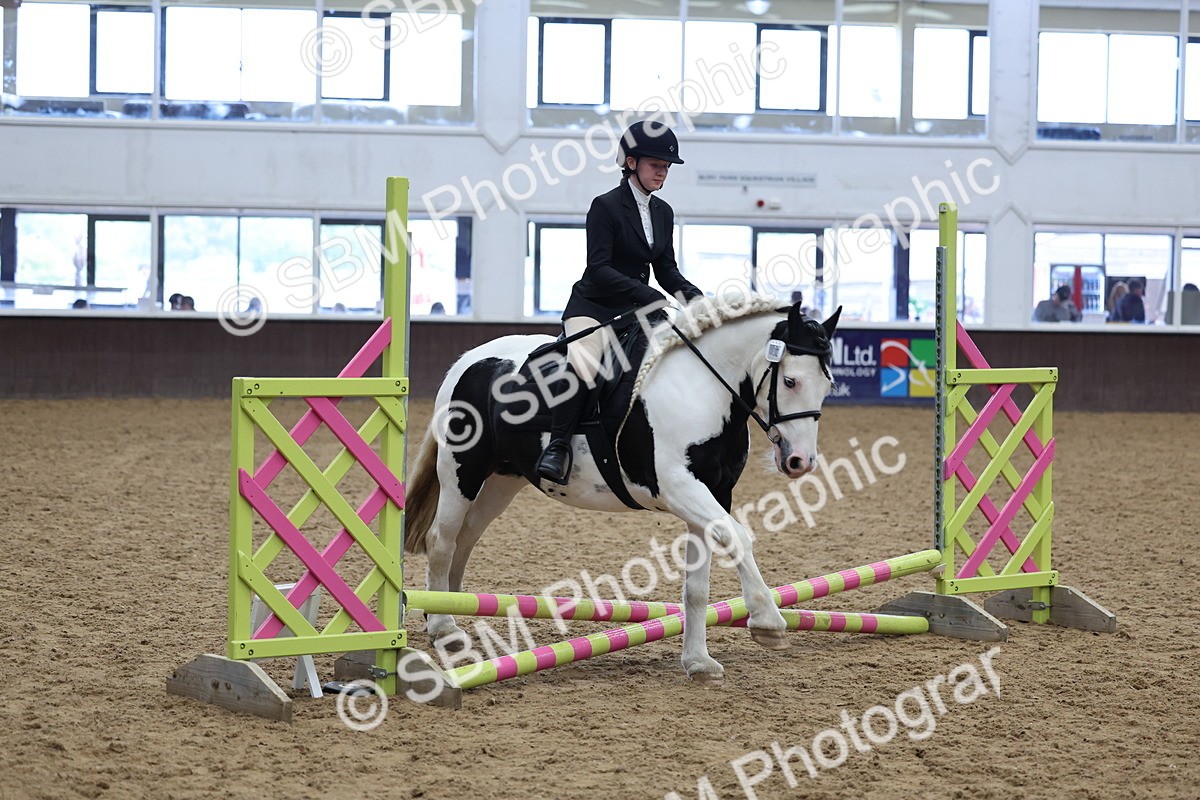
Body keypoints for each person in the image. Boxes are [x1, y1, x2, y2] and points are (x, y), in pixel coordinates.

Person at [534, 120, 704, 485]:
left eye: (667, 166)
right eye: (656, 164)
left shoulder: (663, 213)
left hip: (635, 313)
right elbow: (598, 269)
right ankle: (559, 447)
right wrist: (646, 295)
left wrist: (697, 299)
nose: (663, 172)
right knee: (586, 364)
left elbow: (667, 270)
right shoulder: (605, 206)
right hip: (593, 309)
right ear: (630, 163)